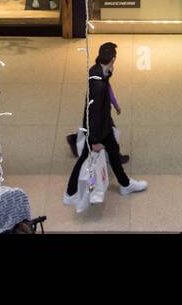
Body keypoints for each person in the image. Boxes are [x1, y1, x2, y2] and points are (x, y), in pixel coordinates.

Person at [63, 42, 147, 206]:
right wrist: (94, 141)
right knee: (84, 158)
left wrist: (109, 74)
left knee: (114, 152)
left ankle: (125, 184)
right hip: (98, 130)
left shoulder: (96, 71)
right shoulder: (99, 86)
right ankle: (70, 193)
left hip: (104, 126)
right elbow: (94, 113)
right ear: (113, 59)